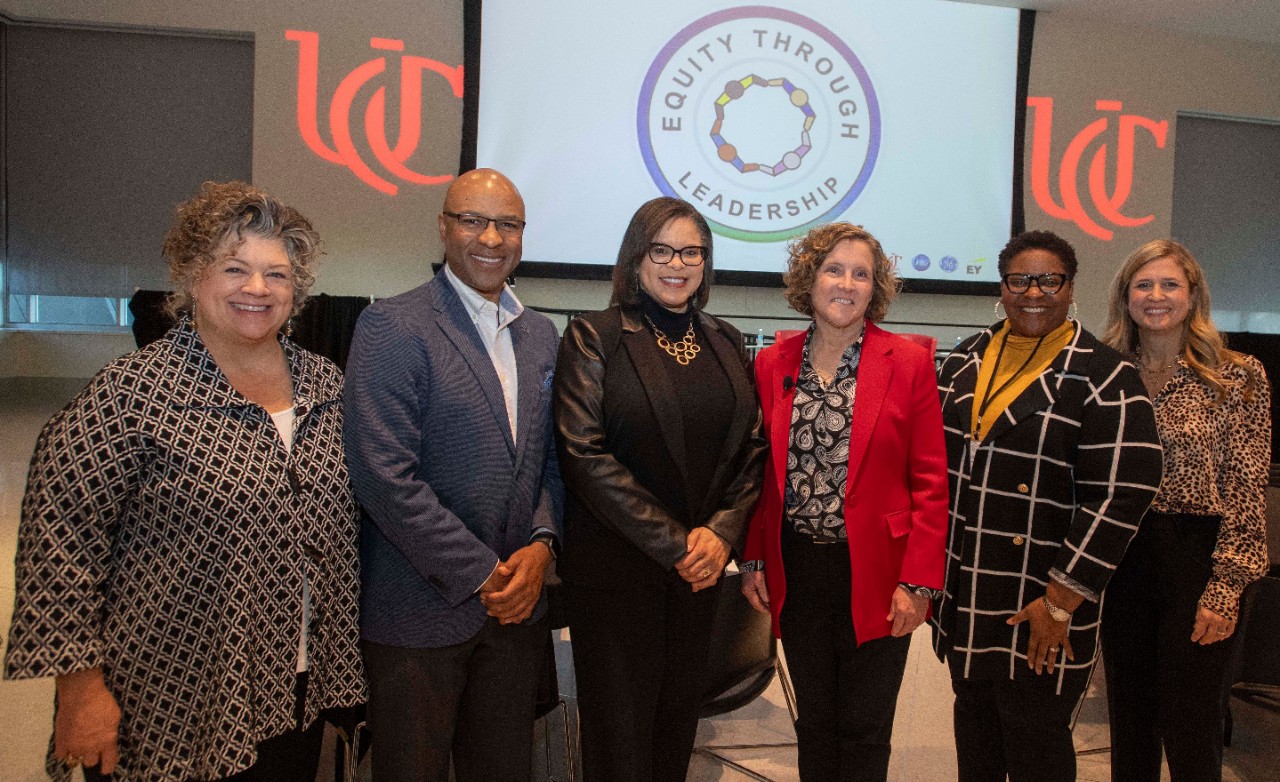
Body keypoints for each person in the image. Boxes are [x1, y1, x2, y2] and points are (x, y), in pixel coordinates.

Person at [4, 181, 365, 781]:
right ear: (193, 275)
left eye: (276, 274)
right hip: (166, 703)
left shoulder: (327, 385)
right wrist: (81, 693)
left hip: (294, 685)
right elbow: (60, 545)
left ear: (296, 289)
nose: (257, 288)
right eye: (234, 268)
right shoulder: (131, 396)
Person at [343, 168, 562, 782]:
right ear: (443, 228)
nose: (491, 237)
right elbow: (385, 476)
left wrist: (542, 549)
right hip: (419, 610)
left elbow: (547, 459)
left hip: (516, 613)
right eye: (473, 220)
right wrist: (483, 572)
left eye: (508, 224)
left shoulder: (541, 335)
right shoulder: (393, 325)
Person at [931, 229, 1163, 782]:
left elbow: (1124, 491)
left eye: (1049, 279)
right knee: (977, 740)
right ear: (1002, 287)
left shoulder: (1106, 374)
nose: (1034, 292)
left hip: (1043, 601)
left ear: (1070, 286)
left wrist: (1062, 598)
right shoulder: (964, 360)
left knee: (1037, 747)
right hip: (968, 590)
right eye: (1020, 280)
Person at [553, 196, 766, 781]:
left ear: (706, 261)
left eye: (691, 251)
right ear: (636, 257)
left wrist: (721, 534)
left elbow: (753, 447)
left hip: (698, 582)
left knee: (674, 736)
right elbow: (583, 453)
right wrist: (680, 546)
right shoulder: (593, 337)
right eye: (662, 249)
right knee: (620, 748)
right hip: (618, 579)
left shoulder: (726, 339)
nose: (678, 263)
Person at [739, 223, 950, 780]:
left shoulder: (907, 362)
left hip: (880, 572)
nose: (847, 283)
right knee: (814, 722)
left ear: (874, 288)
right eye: (834, 269)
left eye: (862, 273)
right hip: (798, 569)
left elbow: (931, 481)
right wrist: (755, 559)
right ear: (809, 280)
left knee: (864, 725)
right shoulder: (772, 363)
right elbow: (762, 477)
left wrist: (918, 582)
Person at [1100, 239, 1271, 781]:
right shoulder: (1105, 372)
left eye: (1169, 284)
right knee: (1129, 720)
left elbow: (1248, 486)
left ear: (1193, 295)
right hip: (1121, 557)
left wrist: (1226, 587)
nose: (1156, 296)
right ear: (1125, 296)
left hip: (1198, 559)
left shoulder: (1237, 376)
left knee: (1191, 722)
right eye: (1143, 284)